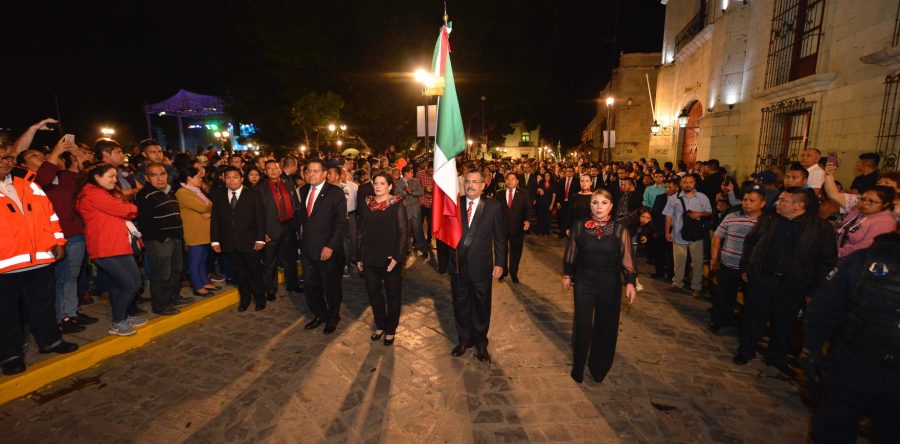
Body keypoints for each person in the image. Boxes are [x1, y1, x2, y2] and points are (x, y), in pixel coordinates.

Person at [804, 232, 900, 443]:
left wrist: (813, 351)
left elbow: (823, 310)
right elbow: (825, 309)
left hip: (852, 366)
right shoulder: (862, 260)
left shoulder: (863, 260)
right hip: (853, 364)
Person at [734, 188, 838, 376]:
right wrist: (745, 268)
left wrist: (814, 290)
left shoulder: (821, 228)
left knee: (785, 323)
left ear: (799, 205)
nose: (777, 203)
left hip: (794, 284)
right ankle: (745, 350)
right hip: (763, 278)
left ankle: (777, 357)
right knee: (753, 317)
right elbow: (750, 243)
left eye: (783, 201)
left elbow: (826, 262)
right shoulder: (769, 220)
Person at [0, 151, 78, 375]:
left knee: (43, 305)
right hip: (4, 265)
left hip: (40, 260)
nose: (6, 162)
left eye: (7, 157)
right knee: (6, 314)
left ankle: (50, 341)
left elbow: (50, 215)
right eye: (0, 158)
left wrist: (58, 241)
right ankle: (10, 355)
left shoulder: (28, 183)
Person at [562, 188, 637, 383]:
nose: (599, 207)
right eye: (595, 202)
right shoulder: (579, 226)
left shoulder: (620, 229)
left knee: (605, 326)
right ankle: (578, 366)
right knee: (583, 325)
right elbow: (572, 252)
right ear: (590, 205)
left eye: (604, 203)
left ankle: (598, 367)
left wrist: (630, 282)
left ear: (611, 206)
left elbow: (627, 259)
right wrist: (567, 274)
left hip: (609, 283)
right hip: (584, 281)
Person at [76, 164, 147, 336]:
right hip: (105, 247)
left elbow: (121, 209)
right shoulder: (92, 194)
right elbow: (124, 209)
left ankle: (123, 316)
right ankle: (117, 322)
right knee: (131, 284)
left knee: (122, 284)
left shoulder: (104, 193)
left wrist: (125, 207)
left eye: (115, 176)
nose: (115, 180)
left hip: (118, 244)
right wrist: (130, 207)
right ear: (97, 178)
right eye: (111, 176)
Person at [449, 169, 507, 362]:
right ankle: (464, 340)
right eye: (467, 181)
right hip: (458, 266)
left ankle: (481, 344)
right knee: (461, 304)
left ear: (483, 185)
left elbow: (499, 237)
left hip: (481, 266)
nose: (470, 185)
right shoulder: (455, 205)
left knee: (482, 306)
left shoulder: (493, 206)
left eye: (475, 182)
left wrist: (500, 262)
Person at [356, 172, 407, 346]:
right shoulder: (367, 203)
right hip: (369, 256)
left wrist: (398, 258)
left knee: (393, 295)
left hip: (390, 258)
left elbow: (403, 233)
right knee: (373, 293)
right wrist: (359, 256)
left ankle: (391, 329)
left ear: (390, 186)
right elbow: (361, 230)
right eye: (375, 183)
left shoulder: (397, 203)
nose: (378, 186)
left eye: (382, 183)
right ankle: (380, 324)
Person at [298, 159, 348, 334]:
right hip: (307, 248)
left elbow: (341, 223)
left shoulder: (335, 193)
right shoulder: (303, 190)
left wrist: (330, 246)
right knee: (311, 285)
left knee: (331, 286)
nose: (311, 174)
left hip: (328, 250)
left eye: (316, 171)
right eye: (309, 171)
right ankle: (319, 314)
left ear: (325, 173)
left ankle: (333, 317)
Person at [210, 166, 267, 311]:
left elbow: (260, 218)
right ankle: (245, 299)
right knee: (240, 274)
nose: (231, 180)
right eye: (228, 177)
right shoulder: (219, 195)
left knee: (255, 272)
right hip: (230, 243)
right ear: (224, 179)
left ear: (241, 179)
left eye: (235, 177)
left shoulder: (253, 194)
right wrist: (215, 240)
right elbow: (215, 219)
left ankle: (260, 298)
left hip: (251, 242)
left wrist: (260, 239)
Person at [135, 163, 189, 315]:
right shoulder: (145, 194)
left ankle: (173, 297)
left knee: (176, 271)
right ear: (147, 178)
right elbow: (144, 222)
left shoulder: (169, 191)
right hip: (159, 241)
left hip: (176, 238)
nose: (160, 178)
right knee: (161, 274)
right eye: (154, 175)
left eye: (162, 174)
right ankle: (160, 305)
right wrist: (162, 237)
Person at [708, 188, 765, 333]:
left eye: (752, 200)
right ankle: (720, 321)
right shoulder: (731, 216)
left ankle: (746, 329)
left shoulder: (765, 223)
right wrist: (715, 258)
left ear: (762, 203)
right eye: (745, 200)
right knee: (723, 296)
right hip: (728, 264)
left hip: (751, 269)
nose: (747, 203)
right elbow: (717, 237)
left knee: (751, 301)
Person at [258, 160, 301, 300]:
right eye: (269, 169)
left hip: (289, 227)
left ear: (280, 169)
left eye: (275, 168)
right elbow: (257, 214)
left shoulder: (288, 184)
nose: (273, 171)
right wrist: (262, 233)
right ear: (265, 172)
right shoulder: (260, 189)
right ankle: (270, 290)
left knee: (291, 258)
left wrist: (296, 226)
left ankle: (292, 284)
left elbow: (296, 206)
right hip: (270, 231)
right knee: (270, 261)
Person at [663, 175, 712, 296]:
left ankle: (696, 286)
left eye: (690, 182)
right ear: (681, 184)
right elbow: (668, 215)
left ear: (694, 184)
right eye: (685, 182)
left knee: (697, 261)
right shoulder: (673, 198)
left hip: (696, 234)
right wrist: (667, 232)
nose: (687, 184)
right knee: (679, 260)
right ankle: (677, 283)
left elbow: (709, 211)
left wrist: (700, 214)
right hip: (679, 233)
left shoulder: (702, 198)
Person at [176, 166, 219, 297]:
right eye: (198, 177)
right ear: (189, 178)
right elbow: (203, 206)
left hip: (204, 232)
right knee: (195, 260)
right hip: (194, 232)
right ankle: (197, 285)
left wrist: (209, 211)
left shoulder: (196, 191)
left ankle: (204, 281)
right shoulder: (182, 192)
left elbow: (212, 205)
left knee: (203, 259)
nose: (201, 179)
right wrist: (209, 210)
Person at [834, 186, 896, 258]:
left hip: (856, 259)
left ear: (885, 204)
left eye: (871, 201)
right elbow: (842, 228)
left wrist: (836, 253)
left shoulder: (885, 222)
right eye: (862, 199)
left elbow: (865, 247)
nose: (864, 203)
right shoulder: (858, 211)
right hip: (837, 250)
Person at [496, 172, 533, 283]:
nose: (510, 181)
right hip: (502, 228)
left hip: (517, 228)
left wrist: (527, 220)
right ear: (505, 181)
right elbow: (496, 211)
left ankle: (513, 273)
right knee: (502, 251)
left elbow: (528, 209)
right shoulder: (499, 193)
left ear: (517, 181)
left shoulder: (523, 193)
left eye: (513, 179)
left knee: (516, 252)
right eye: (508, 179)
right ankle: (503, 272)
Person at [651, 179, 678, 280]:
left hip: (674, 230)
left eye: (670, 187)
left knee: (672, 255)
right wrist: (655, 229)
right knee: (659, 252)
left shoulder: (680, 199)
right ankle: (659, 272)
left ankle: (671, 275)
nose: (667, 189)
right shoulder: (660, 198)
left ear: (676, 187)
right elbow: (654, 214)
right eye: (666, 187)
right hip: (660, 229)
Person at [397, 166, 425, 256]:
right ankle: (408, 248)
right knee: (406, 230)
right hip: (404, 211)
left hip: (415, 210)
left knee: (418, 230)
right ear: (406, 173)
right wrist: (405, 192)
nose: (413, 174)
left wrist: (412, 192)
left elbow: (421, 192)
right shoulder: (397, 183)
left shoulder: (415, 181)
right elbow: (396, 197)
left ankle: (423, 248)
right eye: (411, 172)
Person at [555, 166, 579, 238]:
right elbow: (558, 192)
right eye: (567, 171)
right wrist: (558, 202)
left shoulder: (576, 181)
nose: (568, 173)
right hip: (562, 202)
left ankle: (569, 233)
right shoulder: (562, 180)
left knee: (570, 218)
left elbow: (577, 193)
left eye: (570, 171)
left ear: (573, 173)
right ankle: (562, 233)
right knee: (562, 217)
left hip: (571, 203)